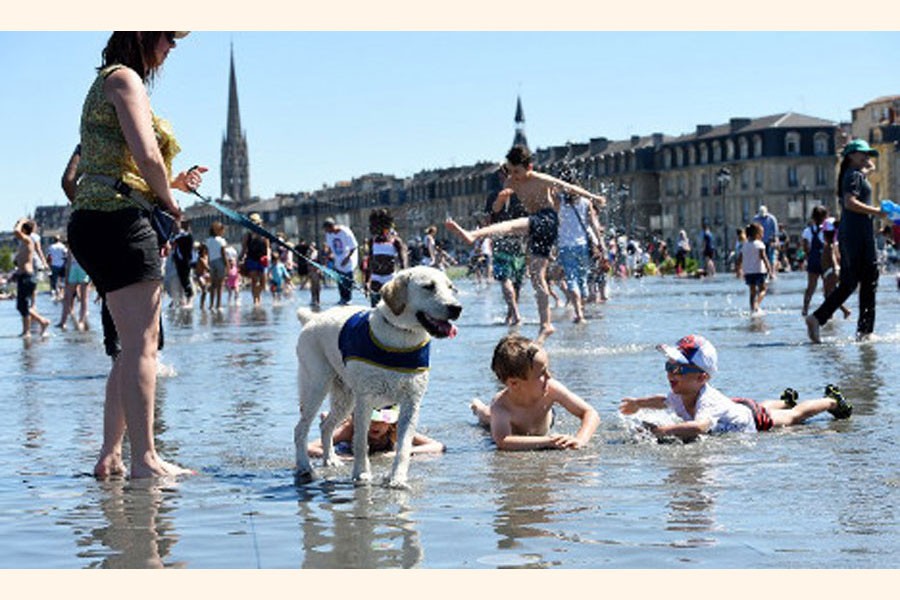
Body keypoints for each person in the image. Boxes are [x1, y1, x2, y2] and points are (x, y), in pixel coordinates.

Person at [66, 31, 206, 479]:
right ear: (144, 35)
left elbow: (122, 165)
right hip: (120, 223)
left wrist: (173, 184)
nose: (173, 46)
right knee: (144, 347)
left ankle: (111, 455)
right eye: (168, 36)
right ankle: (146, 459)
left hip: (98, 220)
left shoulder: (108, 80)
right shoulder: (125, 79)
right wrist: (170, 203)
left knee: (130, 349)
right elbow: (147, 156)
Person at [445, 145, 606, 344]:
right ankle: (546, 325)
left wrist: (594, 198)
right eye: (510, 171)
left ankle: (473, 235)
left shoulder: (540, 178)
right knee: (537, 276)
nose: (513, 176)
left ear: (529, 167)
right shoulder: (512, 181)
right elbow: (495, 210)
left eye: (517, 171)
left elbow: (571, 188)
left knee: (511, 226)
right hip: (536, 224)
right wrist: (501, 199)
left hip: (547, 219)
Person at [619, 334, 852, 442]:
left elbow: (700, 426)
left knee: (794, 416)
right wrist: (638, 403)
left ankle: (831, 401)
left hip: (753, 421)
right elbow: (662, 401)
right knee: (762, 406)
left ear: (702, 378)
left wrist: (661, 431)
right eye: (669, 365)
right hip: (736, 407)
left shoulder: (706, 403)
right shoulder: (683, 391)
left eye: (679, 369)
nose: (671, 372)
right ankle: (785, 399)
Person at [806, 140, 888, 343]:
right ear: (851, 156)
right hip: (855, 235)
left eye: (868, 154)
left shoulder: (856, 173)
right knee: (862, 280)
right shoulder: (852, 176)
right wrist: (877, 211)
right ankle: (861, 331)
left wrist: (867, 161)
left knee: (859, 281)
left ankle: (821, 319)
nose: (867, 157)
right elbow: (850, 203)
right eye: (863, 154)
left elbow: (871, 166)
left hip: (858, 234)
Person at [469, 334, 600, 451]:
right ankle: (478, 408)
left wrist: (580, 439)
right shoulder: (501, 406)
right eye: (542, 373)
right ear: (514, 383)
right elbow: (503, 441)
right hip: (506, 420)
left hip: (546, 419)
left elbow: (590, 413)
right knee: (487, 415)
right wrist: (549, 441)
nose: (550, 376)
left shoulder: (551, 388)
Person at [307, 406, 445, 458]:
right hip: (350, 428)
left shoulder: (395, 429)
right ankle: (330, 417)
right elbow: (309, 448)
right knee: (333, 421)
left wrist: (401, 453)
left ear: (391, 423)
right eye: (371, 420)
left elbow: (438, 446)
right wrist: (339, 456)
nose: (375, 425)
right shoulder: (350, 430)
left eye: (381, 421)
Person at [556, 166, 601, 323]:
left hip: (565, 245)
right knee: (582, 279)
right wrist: (601, 243)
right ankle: (580, 308)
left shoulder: (558, 201)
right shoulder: (586, 202)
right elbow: (594, 225)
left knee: (571, 278)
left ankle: (579, 314)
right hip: (583, 246)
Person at [13, 218, 51, 338]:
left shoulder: (28, 239)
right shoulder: (24, 242)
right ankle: (30, 328)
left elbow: (16, 231)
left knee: (23, 305)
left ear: (24, 229)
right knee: (22, 306)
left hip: (27, 276)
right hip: (23, 275)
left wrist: (21, 221)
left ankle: (37, 325)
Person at [364, 208, 407, 307]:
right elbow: (370, 262)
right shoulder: (372, 242)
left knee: (390, 308)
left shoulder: (396, 241)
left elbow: (403, 262)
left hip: (390, 278)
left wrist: (403, 281)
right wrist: (367, 281)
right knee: (375, 308)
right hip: (376, 278)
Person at [820, 218, 852, 319]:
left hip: (830, 272)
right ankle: (835, 313)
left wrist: (835, 269)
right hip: (828, 272)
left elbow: (834, 259)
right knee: (828, 295)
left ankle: (843, 311)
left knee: (830, 295)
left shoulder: (829, 246)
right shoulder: (833, 245)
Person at [323, 217, 358, 305]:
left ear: (332, 226)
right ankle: (342, 298)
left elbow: (353, 247)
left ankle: (349, 299)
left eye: (327, 229)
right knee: (339, 280)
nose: (326, 232)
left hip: (348, 260)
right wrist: (327, 257)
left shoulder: (345, 232)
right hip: (338, 260)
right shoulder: (329, 234)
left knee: (347, 280)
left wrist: (347, 259)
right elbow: (330, 247)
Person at [801, 206, 828, 316]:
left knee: (811, 287)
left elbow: (805, 247)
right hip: (826, 261)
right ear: (825, 217)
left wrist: (809, 256)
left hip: (813, 261)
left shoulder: (807, 231)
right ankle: (828, 310)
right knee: (828, 287)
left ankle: (805, 309)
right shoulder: (827, 230)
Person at [740, 222, 773, 313]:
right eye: (762, 233)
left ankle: (752, 309)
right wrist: (769, 269)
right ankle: (757, 304)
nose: (763, 235)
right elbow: (764, 257)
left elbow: (740, 258)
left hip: (748, 272)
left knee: (752, 292)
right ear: (757, 234)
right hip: (759, 271)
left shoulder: (745, 245)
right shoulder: (759, 244)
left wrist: (738, 269)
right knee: (763, 289)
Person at [240, 213, 270, 307]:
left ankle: (258, 295)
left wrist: (268, 256)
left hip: (262, 259)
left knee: (263, 282)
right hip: (251, 259)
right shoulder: (247, 235)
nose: (257, 225)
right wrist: (240, 258)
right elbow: (244, 248)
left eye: (258, 223)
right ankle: (256, 300)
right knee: (254, 280)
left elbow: (268, 247)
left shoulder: (264, 234)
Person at [205, 221, 227, 310]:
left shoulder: (208, 240)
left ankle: (211, 304)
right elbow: (223, 254)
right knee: (220, 285)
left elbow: (207, 253)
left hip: (211, 262)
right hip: (220, 262)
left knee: (213, 284)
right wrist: (227, 265)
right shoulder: (221, 240)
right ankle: (219, 304)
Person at [753, 205, 779, 276]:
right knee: (760, 257)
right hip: (759, 242)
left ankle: (772, 272)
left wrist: (775, 241)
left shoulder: (772, 219)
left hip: (769, 241)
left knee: (771, 257)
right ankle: (762, 272)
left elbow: (775, 232)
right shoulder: (756, 219)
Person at [46, 235, 69, 300]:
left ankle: (56, 293)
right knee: (62, 279)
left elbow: (49, 256)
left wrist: (48, 264)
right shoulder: (63, 246)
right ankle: (61, 293)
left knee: (55, 280)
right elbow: (66, 254)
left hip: (54, 265)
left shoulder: (51, 246)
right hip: (62, 265)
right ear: (59, 240)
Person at [193, 243, 211, 310]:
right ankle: (201, 305)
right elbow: (206, 267)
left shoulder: (207, 256)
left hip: (206, 275)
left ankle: (207, 304)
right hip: (199, 276)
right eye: (204, 249)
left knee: (210, 289)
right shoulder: (200, 258)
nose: (205, 251)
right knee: (204, 290)